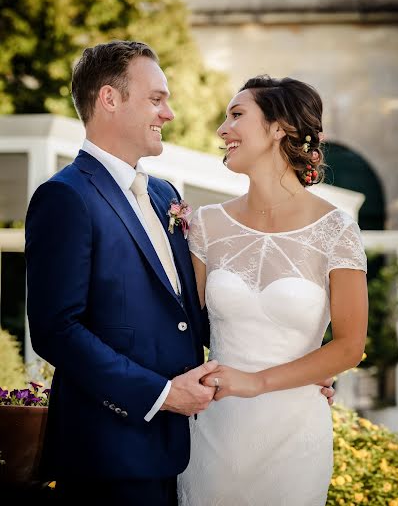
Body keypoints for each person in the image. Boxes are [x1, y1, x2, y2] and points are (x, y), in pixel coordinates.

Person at [25, 40, 219, 504]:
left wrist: (286, 370)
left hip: (182, 450)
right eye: (156, 99)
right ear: (109, 99)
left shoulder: (163, 194)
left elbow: (188, 313)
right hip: (107, 454)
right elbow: (55, 330)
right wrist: (160, 395)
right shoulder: (65, 197)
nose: (168, 113)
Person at [178, 75, 368, 506]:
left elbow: (350, 346)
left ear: (279, 127)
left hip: (295, 433)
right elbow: (185, 327)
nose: (223, 130)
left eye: (237, 115)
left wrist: (257, 381)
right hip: (215, 426)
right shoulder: (206, 225)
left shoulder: (336, 229)